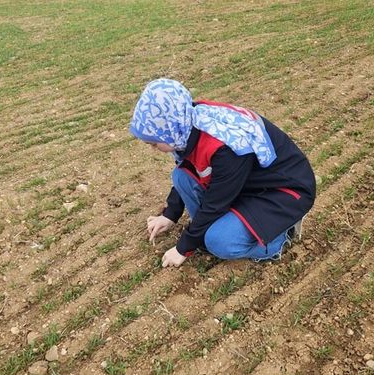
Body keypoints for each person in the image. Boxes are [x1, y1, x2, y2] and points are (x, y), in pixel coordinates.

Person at [129, 79, 316, 267]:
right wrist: (170, 214)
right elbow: (188, 167)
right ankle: (207, 230)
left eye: (153, 143)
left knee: (219, 242)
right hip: (245, 185)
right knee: (181, 177)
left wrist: (183, 248)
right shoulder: (186, 124)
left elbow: (215, 203)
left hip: (282, 193)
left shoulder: (226, 149)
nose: (153, 148)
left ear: (170, 129)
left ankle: (278, 238)